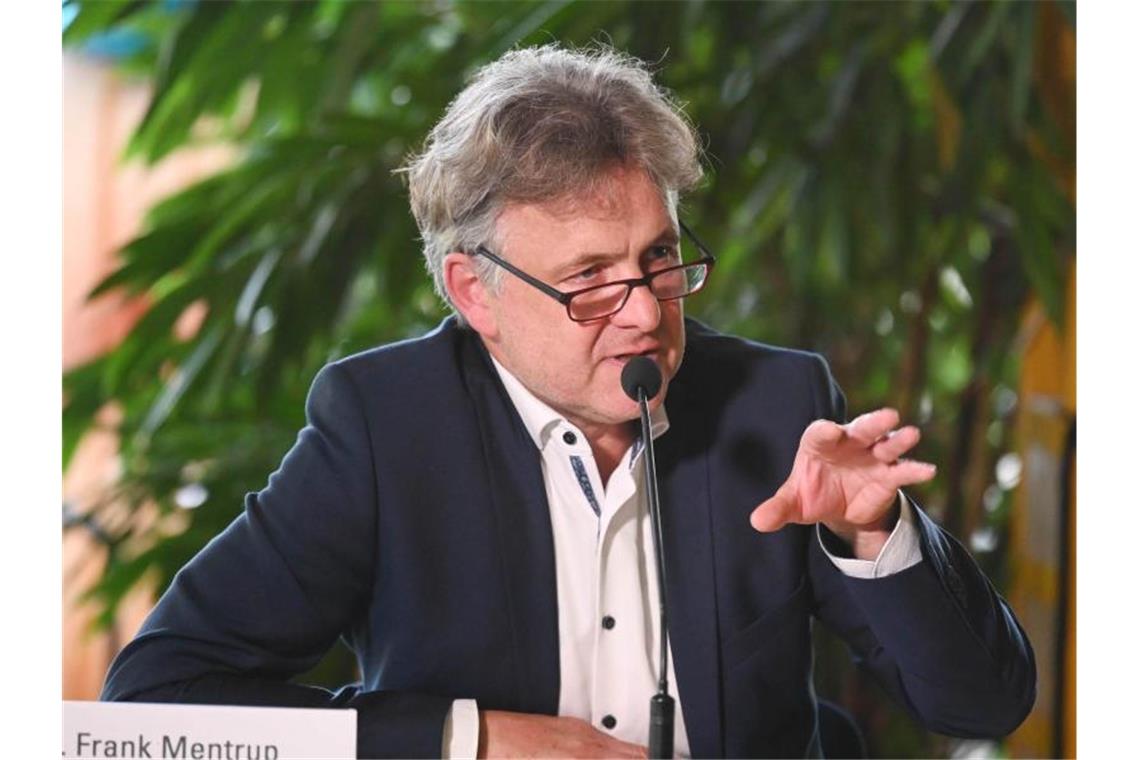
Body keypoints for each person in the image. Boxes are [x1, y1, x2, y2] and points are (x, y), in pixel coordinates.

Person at [101, 45, 1035, 758]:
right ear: (476, 294)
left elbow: (980, 706)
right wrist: (476, 740)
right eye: (588, 279)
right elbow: (157, 700)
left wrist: (876, 535)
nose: (641, 314)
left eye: (659, 260)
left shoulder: (778, 402)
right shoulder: (385, 427)